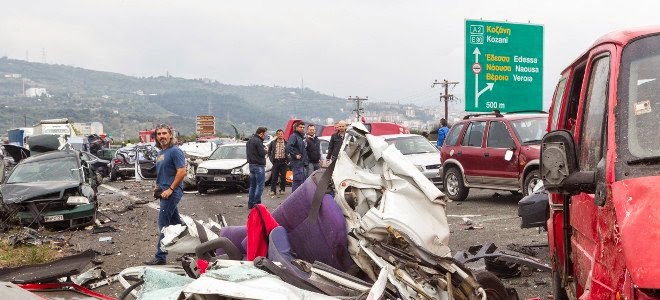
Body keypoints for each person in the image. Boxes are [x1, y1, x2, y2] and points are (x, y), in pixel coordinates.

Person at [144, 124, 186, 265]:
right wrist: (158, 187)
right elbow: (161, 173)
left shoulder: (175, 151)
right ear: (156, 137)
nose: (162, 136)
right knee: (177, 224)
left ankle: (160, 256)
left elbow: (181, 172)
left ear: (170, 135)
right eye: (159, 134)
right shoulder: (160, 153)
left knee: (163, 224)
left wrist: (171, 189)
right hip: (163, 192)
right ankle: (192, 248)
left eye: (164, 133)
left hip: (171, 193)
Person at [246, 126, 268, 209]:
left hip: (251, 165)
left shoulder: (249, 141)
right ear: (261, 133)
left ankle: (250, 203)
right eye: (265, 133)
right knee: (260, 185)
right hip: (259, 165)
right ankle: (257, 204)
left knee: (253, 185)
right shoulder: (258, 141)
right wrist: (265, 150)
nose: (265, 135)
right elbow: (262, 153)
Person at [286, 121, 308, 192]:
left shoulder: (300, 137)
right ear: (296, 128)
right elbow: (288, 147)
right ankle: (294, 200)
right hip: (297, 163)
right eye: (300, 127)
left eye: (303, 127)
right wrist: (295, 154)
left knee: (301, 182)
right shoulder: (294, 136)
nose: (302, 129)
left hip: (301, 163)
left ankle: (298, 199)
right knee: (297, 182)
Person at [267, 129, 287, 196]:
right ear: (276, 135)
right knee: (274, 177)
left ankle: (282, 189)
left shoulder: (286, 142)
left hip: (283, 161)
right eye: (278, 134)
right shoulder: (273, 143)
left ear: (283, 134)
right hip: (275, 161)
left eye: (281, 134)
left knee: (283, 177)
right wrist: (271, 159)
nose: (280, 135)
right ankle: (273, 190)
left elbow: (289, 152)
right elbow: (269, 152)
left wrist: (288, 160)